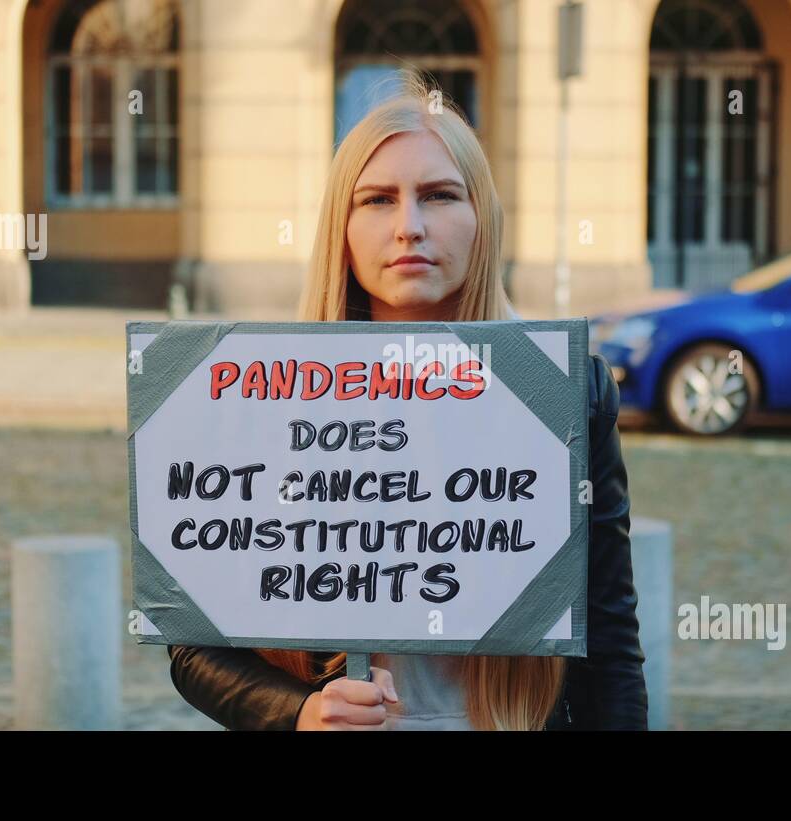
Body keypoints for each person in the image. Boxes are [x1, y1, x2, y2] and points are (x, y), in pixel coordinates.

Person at [167, 70, 646, 731]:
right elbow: (193, 644)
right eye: (377, 200)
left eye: (440, 195)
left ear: (483, 218)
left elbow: (610, 638)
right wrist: (298, 711)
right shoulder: (257, 394)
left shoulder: (564, 390)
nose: (410, 227)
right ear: (342, 225)